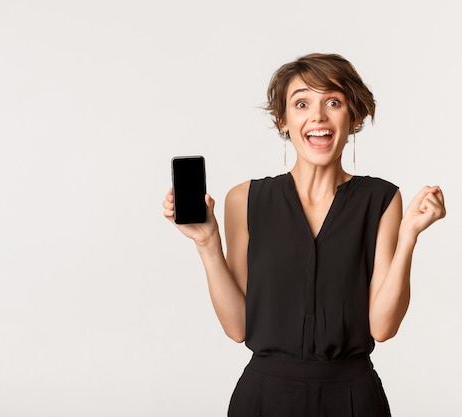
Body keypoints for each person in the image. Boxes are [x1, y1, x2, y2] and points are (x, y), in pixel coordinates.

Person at [162, 53, 446, 417]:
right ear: (283, 120)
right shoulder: (244, 199)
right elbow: (237, 329)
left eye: (333, 102)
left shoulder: (382, 199)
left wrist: (408, 237)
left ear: (354, 116)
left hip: (352, 399)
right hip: (265, 398)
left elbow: (383, 327)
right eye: (301, 103)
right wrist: (207, 243)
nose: (317, 116)